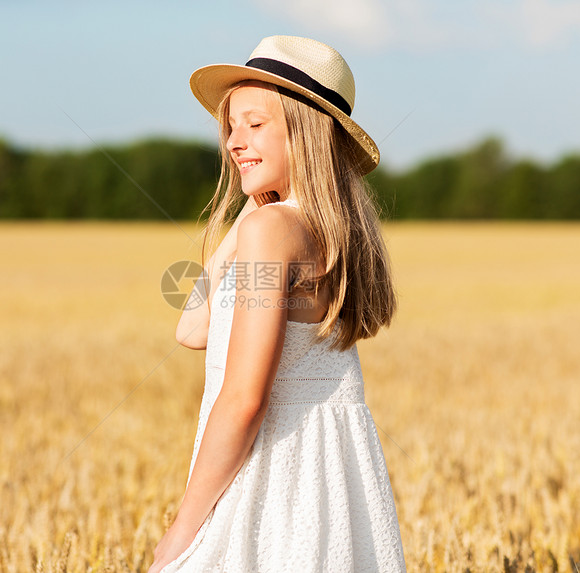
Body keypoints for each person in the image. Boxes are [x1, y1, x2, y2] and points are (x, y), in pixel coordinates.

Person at [149, 35, 407, 572]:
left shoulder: (274, 231)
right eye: (231, 126)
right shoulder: (313, 230)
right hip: (327, 478)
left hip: (272, 481)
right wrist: (248, 212)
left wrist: (183, 527)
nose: (233, 142)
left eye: (255, 124)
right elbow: (193, 328)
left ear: (306, 130)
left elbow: (243, 398)